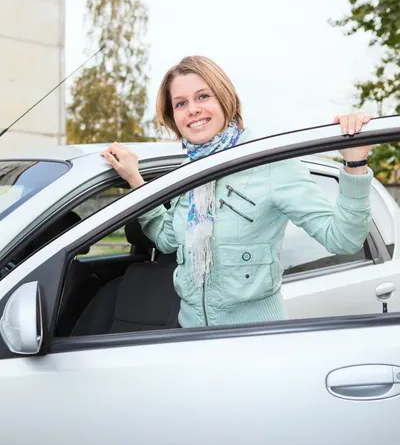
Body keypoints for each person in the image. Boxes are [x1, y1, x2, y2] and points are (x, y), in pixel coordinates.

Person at [101, 56, 373, 328]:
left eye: (203, 96)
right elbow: (166, 239)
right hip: (187, 341)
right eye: (181, 103)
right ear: (173, 117)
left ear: (225, 99)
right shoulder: (186, 174)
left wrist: (355, 163)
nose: (192, 109)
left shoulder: (269, 165)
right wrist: (136, 181)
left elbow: (343, 240)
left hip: (253, 343)